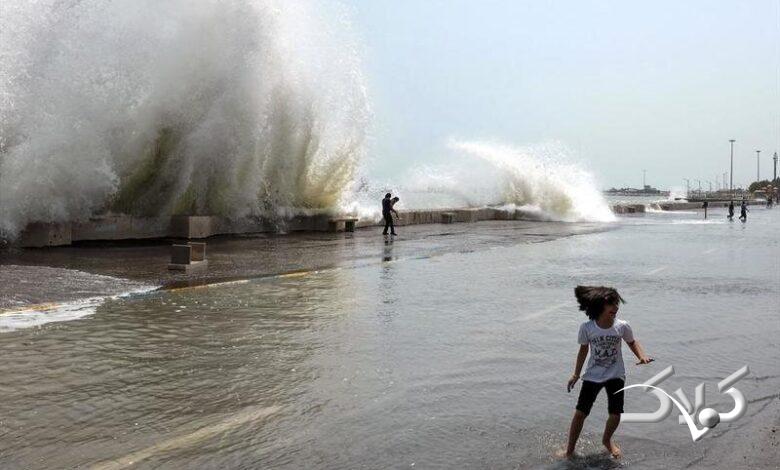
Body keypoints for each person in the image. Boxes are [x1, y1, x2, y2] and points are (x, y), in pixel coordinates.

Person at [564, 286, 653, 460]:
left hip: (616, 374)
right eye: (611, 304)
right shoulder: (587, 328)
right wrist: (576, 374)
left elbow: (632, 342)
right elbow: (583, 351)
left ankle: (607, 440)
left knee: (615, 413)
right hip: (592, 375)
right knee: (580, 413)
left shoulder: (622, 326)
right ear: (600, 306)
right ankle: (569, 450)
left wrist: (642, 356)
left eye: (617, 303)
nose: (616, 307)